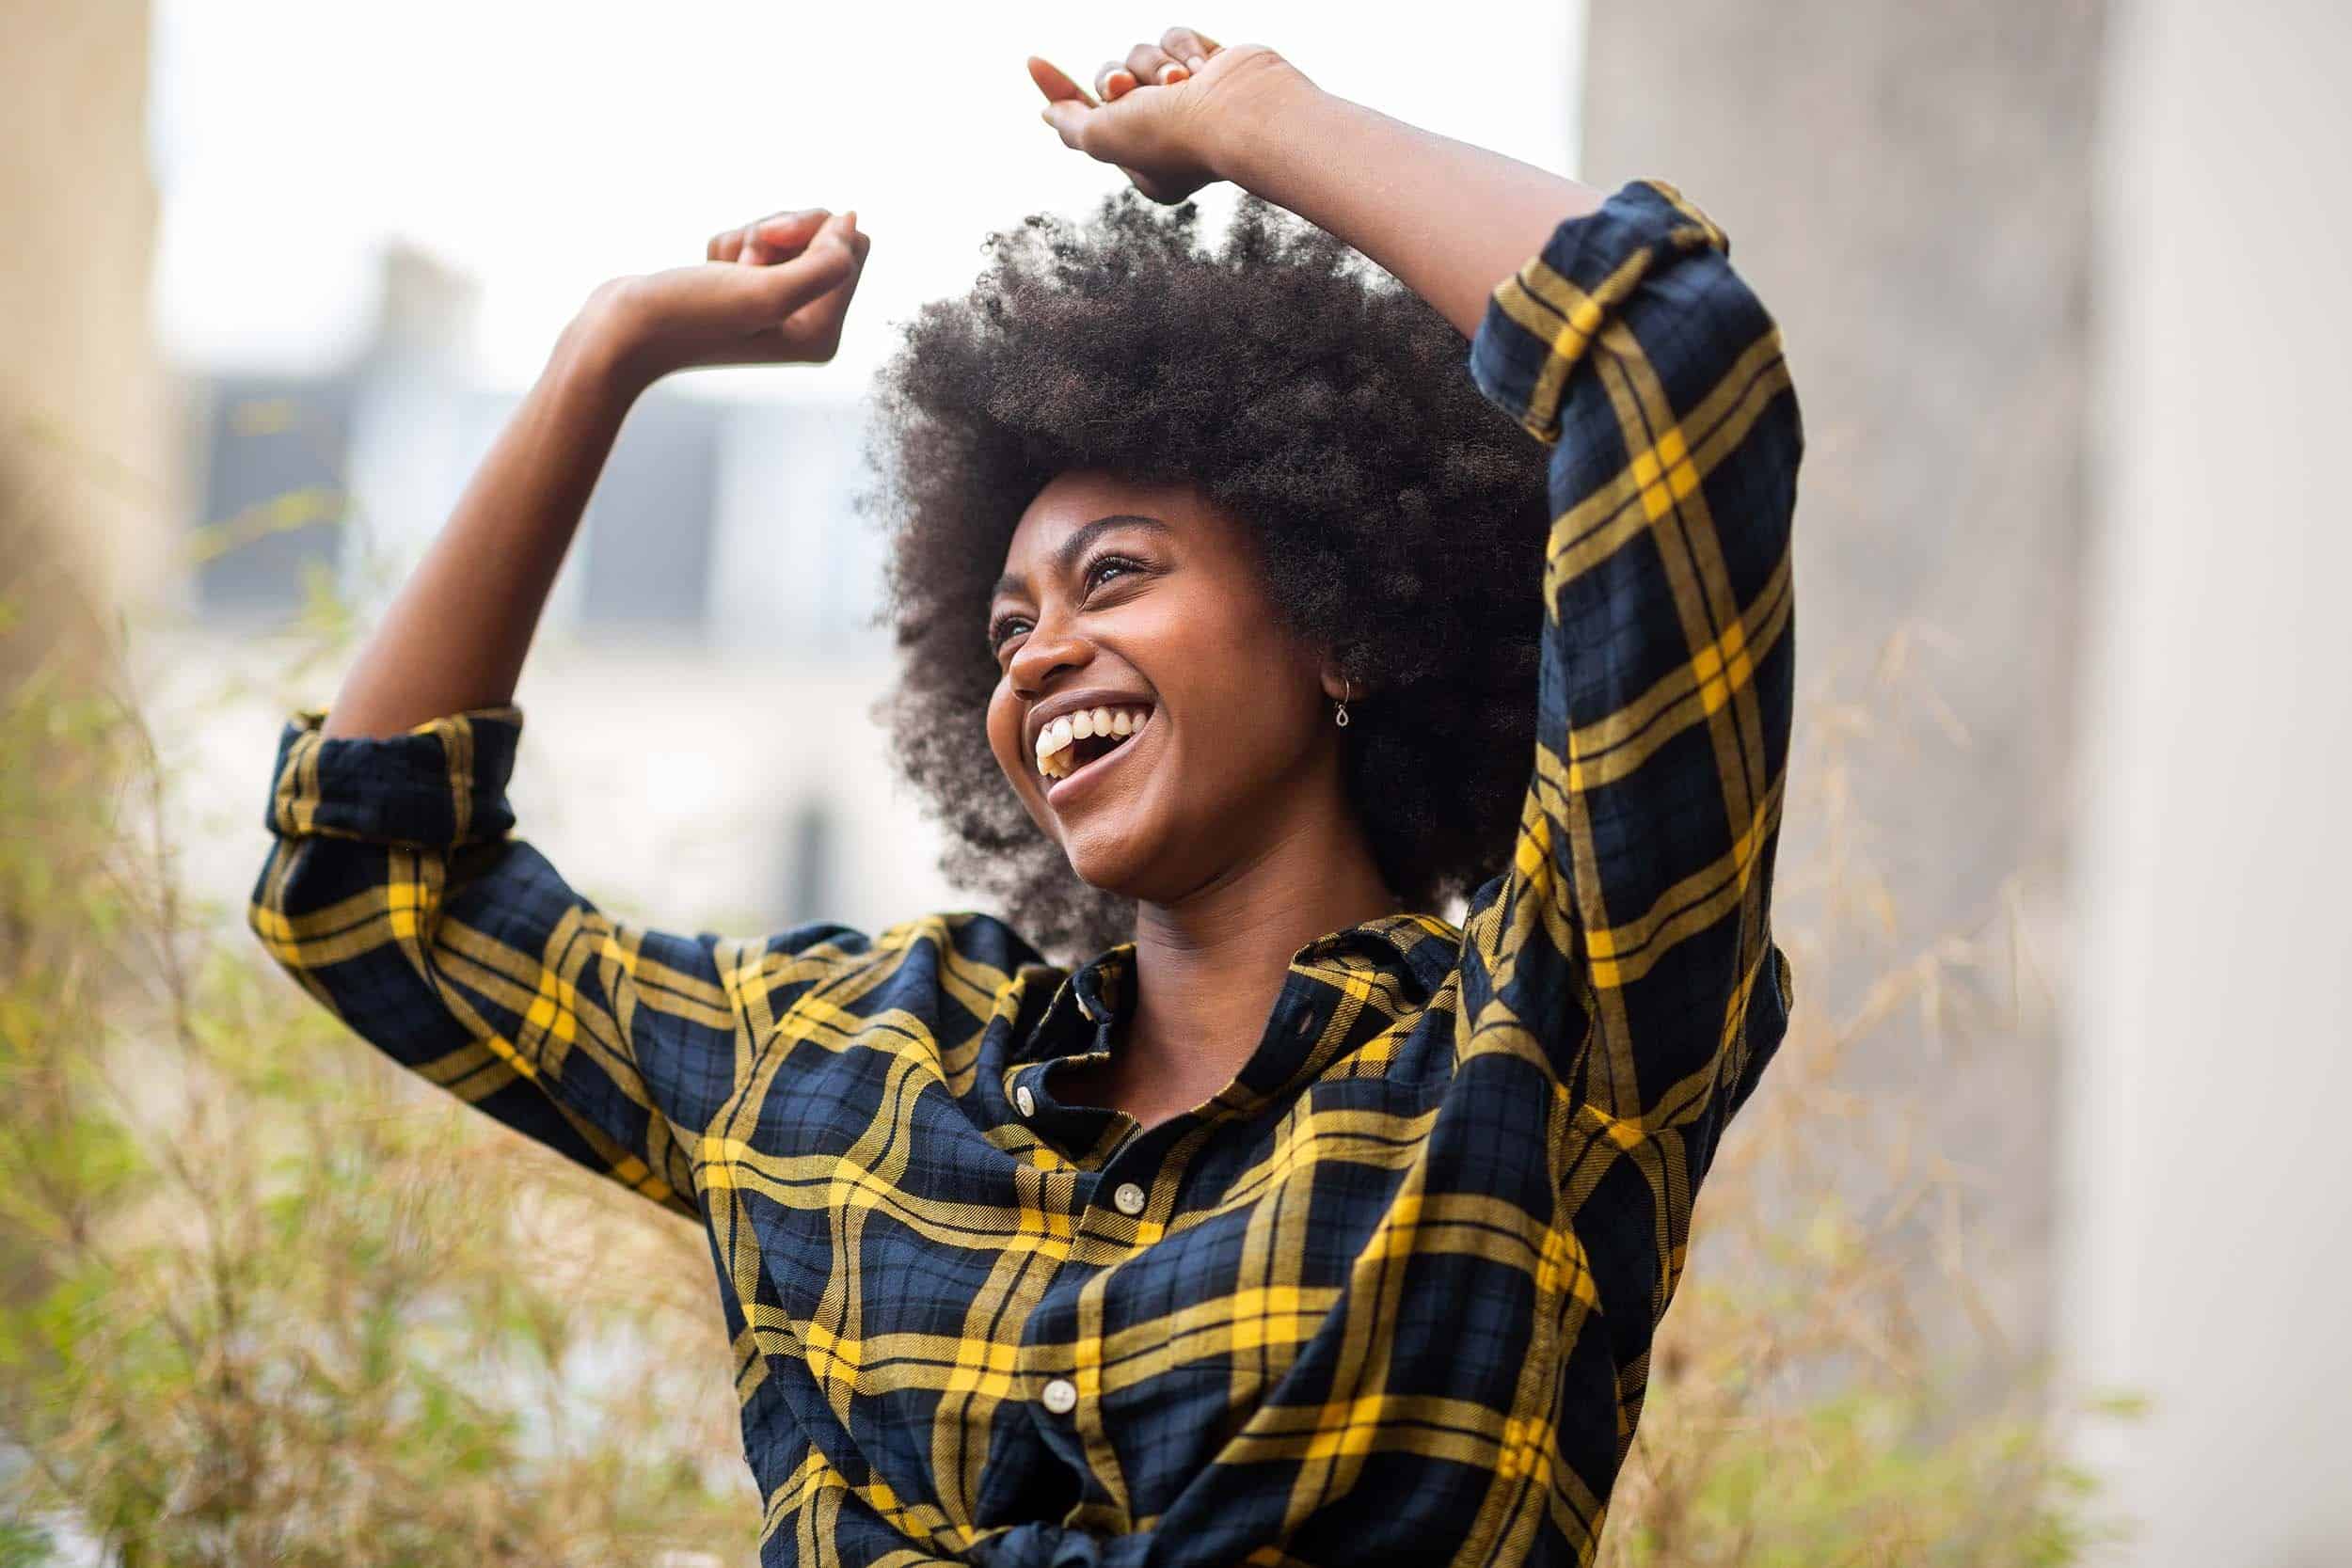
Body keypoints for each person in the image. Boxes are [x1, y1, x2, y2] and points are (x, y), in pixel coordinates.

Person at [246, 25, 1800, 1567]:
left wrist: (1264, 122)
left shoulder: (1540, 1046)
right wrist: (612, 348)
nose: (1042, 654)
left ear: (1348, 623)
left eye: (1113, 575)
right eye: (1002, 631)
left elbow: (1673, 362)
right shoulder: (849, 1069)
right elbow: (375, 893)